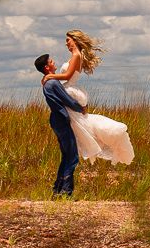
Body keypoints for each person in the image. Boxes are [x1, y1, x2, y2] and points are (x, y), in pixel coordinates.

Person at [41, 30, 135, 166]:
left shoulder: (76, 55)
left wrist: (50, 76)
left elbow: (67, 76)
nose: (66, 43)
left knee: (77, 124)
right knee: (78, 123)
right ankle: (79, 149)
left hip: (71, 89)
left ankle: (82, 149)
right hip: (70, 88)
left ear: (75, 40)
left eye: (68, 40)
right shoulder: (75, 55)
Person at [35, 53, 85, 197]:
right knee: (73, 156)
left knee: (66, 155)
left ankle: (57, 189)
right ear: (47, 67)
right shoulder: (53, 83)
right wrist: (81, 108)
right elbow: (67, 100)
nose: (53, 62)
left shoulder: (48, 82)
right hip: (61, 120)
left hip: (56, 120)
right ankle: (65, 191)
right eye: (51, 61)